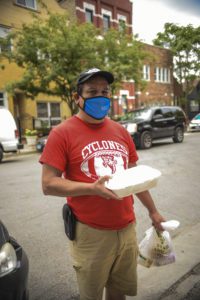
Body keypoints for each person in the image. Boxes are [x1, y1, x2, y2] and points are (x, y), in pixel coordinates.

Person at [39, 68, 165, 300]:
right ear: (78, 98)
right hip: (90, 233)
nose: (100, 96)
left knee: (118, 293)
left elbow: (134, 176)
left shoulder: (120, 131)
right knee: (92, 296)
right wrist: (91, 189)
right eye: (92, 91)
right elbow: (48, 184)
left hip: (127, 228)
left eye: (105, 91)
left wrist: (154, 211)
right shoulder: (61, 133)